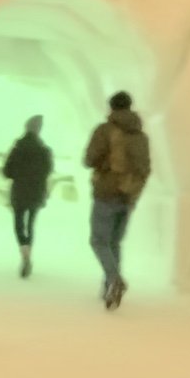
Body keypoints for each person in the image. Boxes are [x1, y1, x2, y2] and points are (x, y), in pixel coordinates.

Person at [83, 91, 151, 309]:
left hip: (106, 191)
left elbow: (89, 159)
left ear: (111, 108)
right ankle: (109, 288)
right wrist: (133, 191)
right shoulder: (141, 136)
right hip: (129, 194)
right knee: (114, 242)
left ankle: (114, 280)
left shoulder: (104, 131)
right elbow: (144, 168)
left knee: (98, 241)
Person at [1, 114, 53, 278]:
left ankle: (24, 251)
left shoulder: (17, 148)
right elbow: (48, 171)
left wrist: (19, 174)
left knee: (18, 223)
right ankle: (28, 250)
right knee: (31, 223)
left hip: (19, 191)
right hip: (36, 192)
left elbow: (6, 171)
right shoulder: (44, 150)